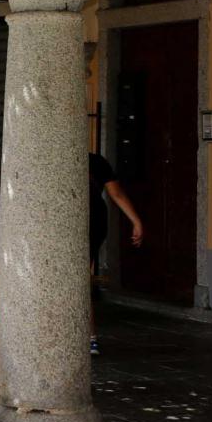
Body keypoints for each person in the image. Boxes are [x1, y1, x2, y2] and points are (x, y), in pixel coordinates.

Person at [89, 151, 144, 354]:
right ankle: (90, 337)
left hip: (88, 222)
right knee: (81, 279)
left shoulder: (94, 161)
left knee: (79, 280)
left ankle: (90, 336)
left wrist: (135, 221)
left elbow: (116, 193)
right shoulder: (95, 160)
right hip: (93, 220)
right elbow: (116, 194)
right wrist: (136, 221)